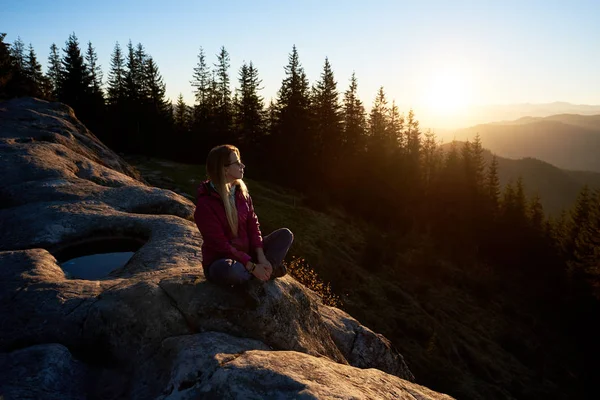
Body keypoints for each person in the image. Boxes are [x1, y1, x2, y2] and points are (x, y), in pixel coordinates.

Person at [194, 144, 294, 286]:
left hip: (249, 254)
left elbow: (253, 226)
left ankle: (266, 270)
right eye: (237, 162)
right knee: (231, 271)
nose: (242, 165)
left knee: (285, 235)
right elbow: (220, 245)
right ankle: (264, 274)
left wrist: (261, 258)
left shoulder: (241, 194)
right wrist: (252, 266)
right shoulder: (206, 204)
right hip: (222, 260)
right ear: (225, 168)